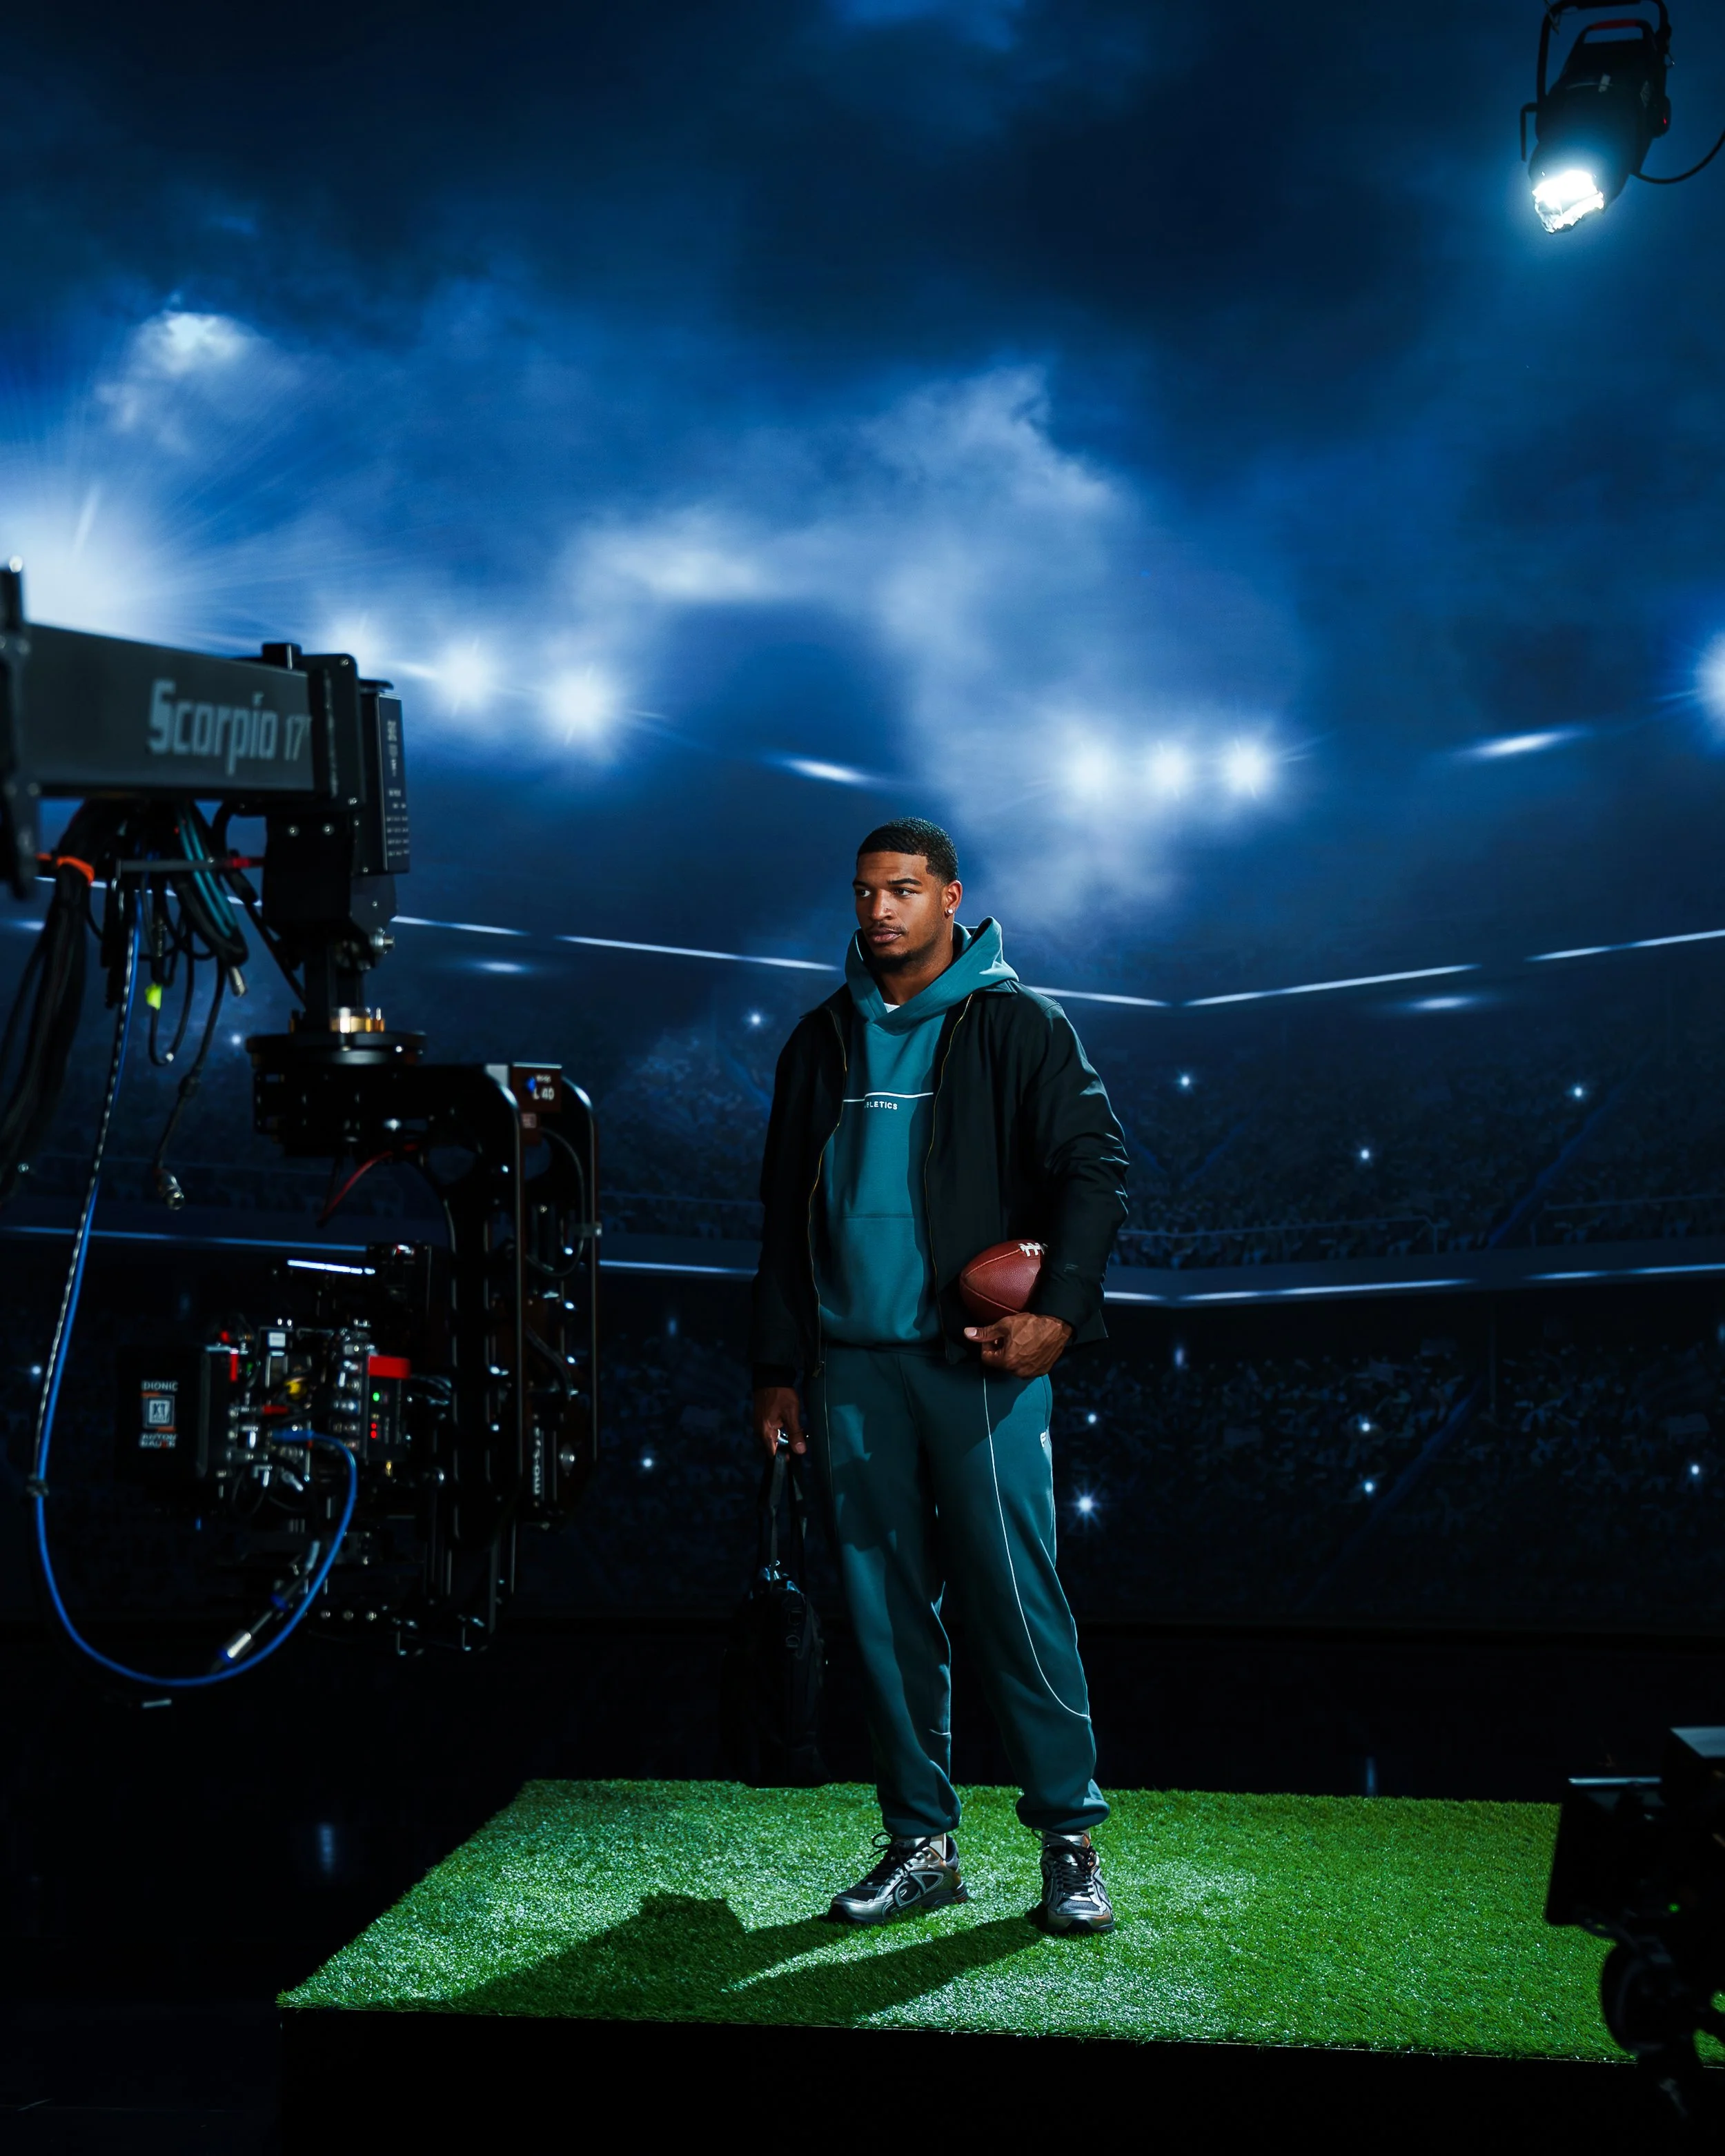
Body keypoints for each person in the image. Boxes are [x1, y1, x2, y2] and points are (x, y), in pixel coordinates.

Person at [750, 816, 1129, 1935]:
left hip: (978, 1366)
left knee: (1015, 1600)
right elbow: (779, 1218)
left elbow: (1095, 1168)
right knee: (881, 1615)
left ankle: (1069, 1840)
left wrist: (1058, 1313)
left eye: (904, 890)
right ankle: (922, 1843)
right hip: (851, 1369)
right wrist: (778, 1366)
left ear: (951, 898)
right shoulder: (821, 1038)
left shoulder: (1020, 1025)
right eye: (866, 891)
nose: (880, 910)